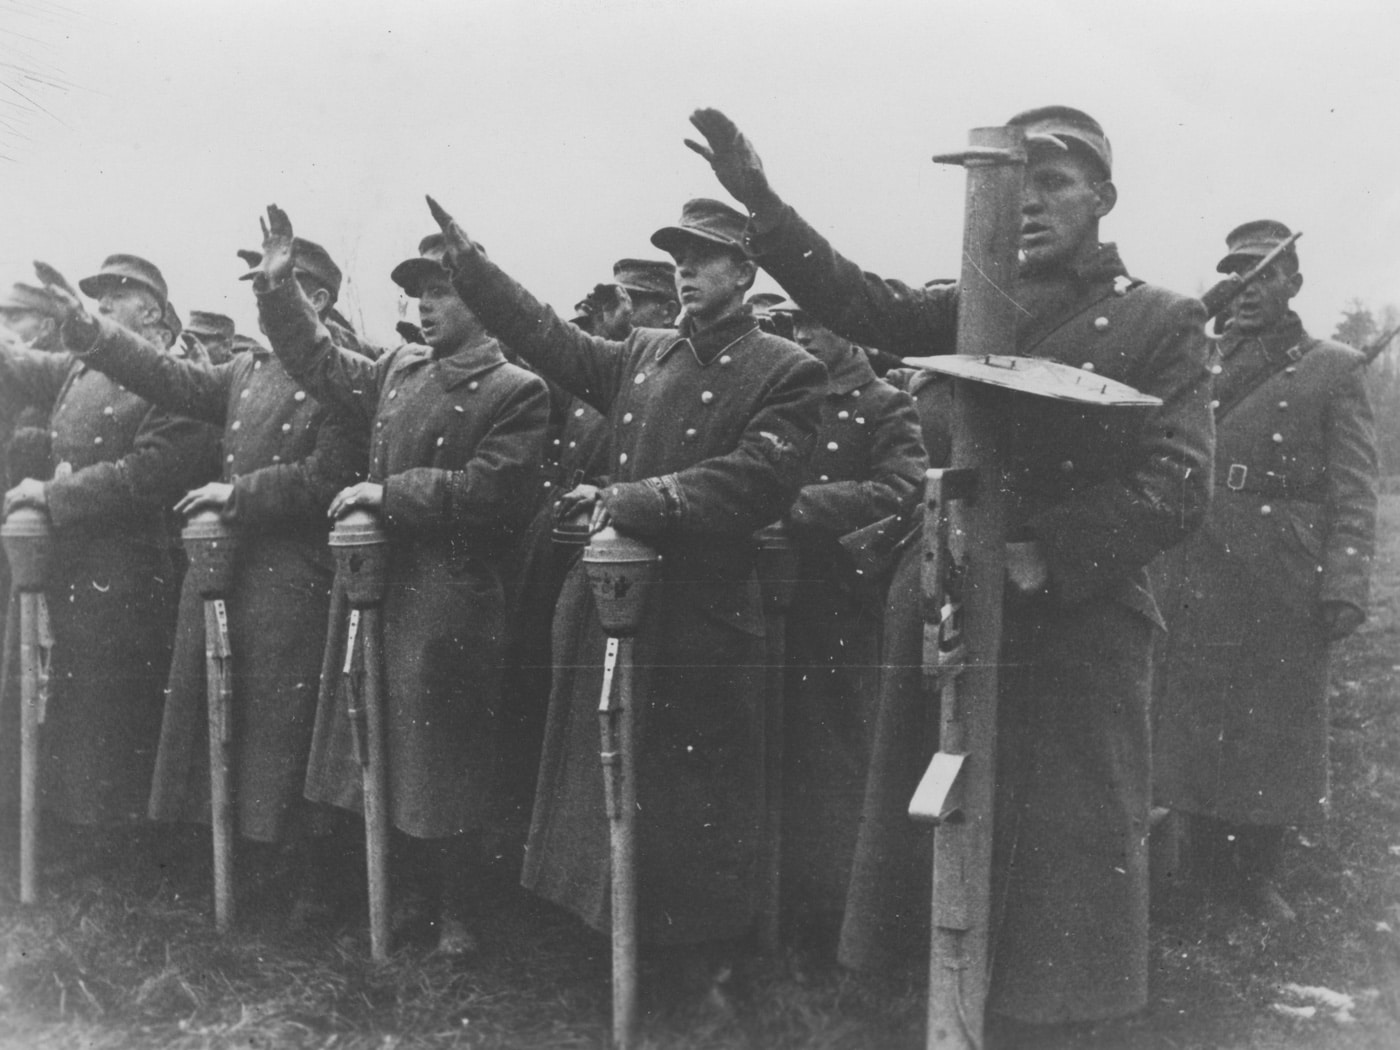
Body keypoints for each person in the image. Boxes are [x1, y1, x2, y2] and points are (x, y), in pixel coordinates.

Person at [685, 105, 1213, 1037]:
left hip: (1074, 629)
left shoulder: (1159, 319)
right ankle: (941, 1010)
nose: (1031, 206)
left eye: (1055, 183)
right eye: (1013, 186)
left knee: (1061, 869)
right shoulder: (969, 305)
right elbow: (853, 298)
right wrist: (761, 203)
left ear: (1103, 196)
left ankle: (1048, 1023)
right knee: (935, 848)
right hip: (949, 616)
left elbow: (1178, 480)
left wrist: (1045, 550)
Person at [425, 193, 826, 1005]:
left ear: (745, 273)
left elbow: (757, 481)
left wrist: (632, 498)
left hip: (702, 617)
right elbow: (547, 337)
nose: (684, 268)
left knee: (693, 799)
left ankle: (699, 972)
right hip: (617, 607)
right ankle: (608, 951)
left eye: (703, 255)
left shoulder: (787, 370)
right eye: (677, 254)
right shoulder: (643, 352)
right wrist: (475, 268)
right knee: (605, 780)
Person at [41, 237, 370, 921]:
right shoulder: (247, 371)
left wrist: (238, 494)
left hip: (295, 573)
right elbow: (167, 378)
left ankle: (308, 879)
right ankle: (238, 865)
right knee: (228, 719)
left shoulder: (347, 375)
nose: (265, 303)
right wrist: (88, 328)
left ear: (317, 300)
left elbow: (329, 477)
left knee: (288, 727)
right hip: (229, 565)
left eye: (280, 291)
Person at [252, 208, 549, 954]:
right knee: (366, 743)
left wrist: (391, 494)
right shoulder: (397, 370)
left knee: (440, 760)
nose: (423, 303)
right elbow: (319, 362)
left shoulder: (516, 389)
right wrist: (280, 291)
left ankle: (455, 909)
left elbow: (493, 492)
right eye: (417, 290)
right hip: (379, 586)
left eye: (441, 289)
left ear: (479, 300)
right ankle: (392, 895)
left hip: (449, 593)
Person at [1152, 220, 1377, 921]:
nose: (1248, 288)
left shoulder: (1330, 365)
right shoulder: (1201, 359)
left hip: (1281, 565)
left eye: (1264, 274)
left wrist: (1344, 583)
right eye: (1237, 273)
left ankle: (1253, 873)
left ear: (1293, 285)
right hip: (1195, 552)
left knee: (1272, 723)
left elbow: (1354, 486)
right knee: (1188, 714)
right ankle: (1188, 863)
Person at [0, 255, 216, 855]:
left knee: (115, 702)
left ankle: (122, 840)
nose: (100, 307)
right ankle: (75, 826)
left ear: (149, 310)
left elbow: (150, 473)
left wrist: (55, 491)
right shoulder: (82, 367)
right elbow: (21, 363)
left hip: (128, 562)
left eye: (113, 297)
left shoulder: (178, 378)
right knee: (73, 696)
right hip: (75, 555)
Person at [496, 257, 679, 861]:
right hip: (558, 547)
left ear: (663, 309)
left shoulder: (667, 371)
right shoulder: (595, 373)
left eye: (632, 303)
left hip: (621, 557)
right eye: (611, 304)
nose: (615, 316)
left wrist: (603, 493)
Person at [769, 305, 926, 946]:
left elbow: (903, 487)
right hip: (773, 588)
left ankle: (836, 909)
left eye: (816, 322)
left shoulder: (886, 403)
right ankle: (776, 897)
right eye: (793, 325)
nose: (802, 336)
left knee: (835, 751)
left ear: (853, 329)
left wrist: (796, 507)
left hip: (840, 596)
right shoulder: (782, 392)